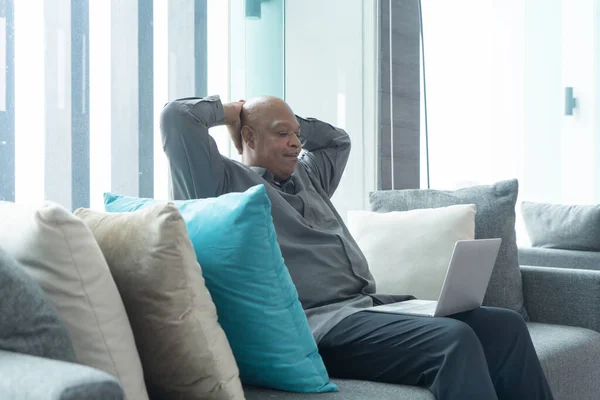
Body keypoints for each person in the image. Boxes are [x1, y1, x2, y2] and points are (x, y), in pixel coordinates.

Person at [160, 95, 554, 400]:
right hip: (321, 326)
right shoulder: (220, 183)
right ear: (248, 137)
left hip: (368, 307)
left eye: (297, 134)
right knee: (453, 341)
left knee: (504, 326)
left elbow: (336, 139)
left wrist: (285, 118)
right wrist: (237, 111)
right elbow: (178, 118)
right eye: (283, 134)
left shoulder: (308, 176)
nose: (296, 143)